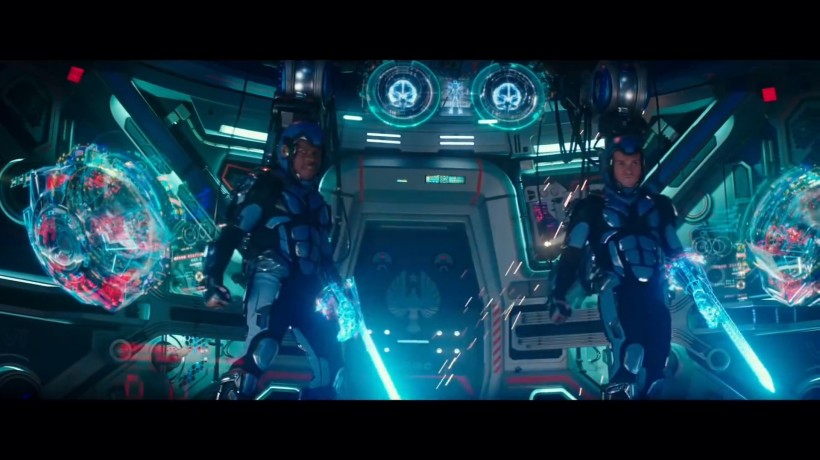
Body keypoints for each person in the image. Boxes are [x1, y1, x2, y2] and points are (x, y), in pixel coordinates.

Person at [202, 121, 345, 400]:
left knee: (331, 368)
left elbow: (324, 256)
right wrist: (213, 278)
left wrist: (340, 294)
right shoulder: (267, 188)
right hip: (271, 279)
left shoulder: (317, 201)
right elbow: (232, 234)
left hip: (310, 290)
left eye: (316, 153)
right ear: (286, 151)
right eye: (304, 151)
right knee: (260, 352)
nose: (311, 158)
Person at [548, 133, 688, 400]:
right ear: (610, 167)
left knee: (658, 360)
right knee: (630, 353)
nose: (629, 170)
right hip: (616, 288)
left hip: (656, 290)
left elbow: (675, 249)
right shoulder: (592, 208)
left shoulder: (658, 206)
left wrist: (696, 283)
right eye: (622, 163)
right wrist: (559, 294)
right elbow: (572, 253)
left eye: (634, 163)